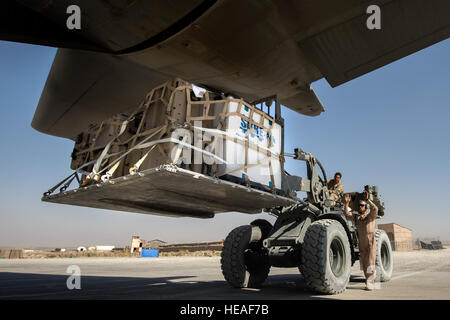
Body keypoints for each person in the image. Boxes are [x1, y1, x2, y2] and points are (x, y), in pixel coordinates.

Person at [343, 191, 379, 290]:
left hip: (370, 241)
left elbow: (375, 209)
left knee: (370, 262)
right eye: (359, 205)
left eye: (362, 205)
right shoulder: (357, 217)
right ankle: (368, 280)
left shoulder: (370, 216)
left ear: (365, 206)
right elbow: (346, 213)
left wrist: (368, 200)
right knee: (364, 262)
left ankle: (371, 282)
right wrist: (347, 203)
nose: (360, 207)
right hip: (362, 242)